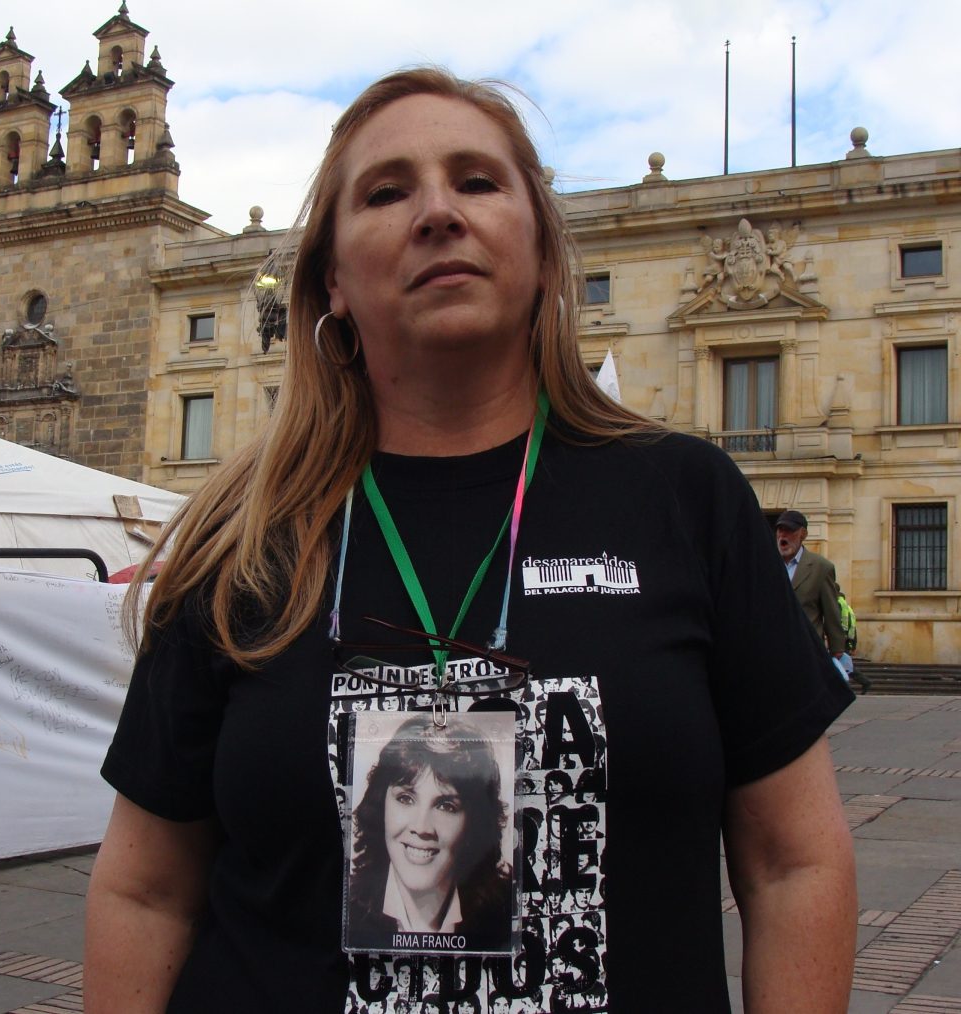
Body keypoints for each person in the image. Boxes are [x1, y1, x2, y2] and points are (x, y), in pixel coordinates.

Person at [84, 68, 856, 1013]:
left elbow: (793, 863)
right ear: (331, 275)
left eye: (479, 181)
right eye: (386, 191)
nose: (438, 211)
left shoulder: (686, 501)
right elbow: (145, 891)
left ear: (542, 248)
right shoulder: (239, 539)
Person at [345, 714, 512, 950]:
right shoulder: (347, 911)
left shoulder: (503, 917)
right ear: (381, 805)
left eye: (446, 806)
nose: (422, 828)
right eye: (405, 798)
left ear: (473, 823)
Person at [776, 509, 871, 693]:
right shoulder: (768, 563)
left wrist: (837, 648)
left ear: (802, 534)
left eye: (789, 531)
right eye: (780, 530)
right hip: (775, 646)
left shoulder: (820, 567)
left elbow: (831, 610)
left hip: (806, 648)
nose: (783, 535)